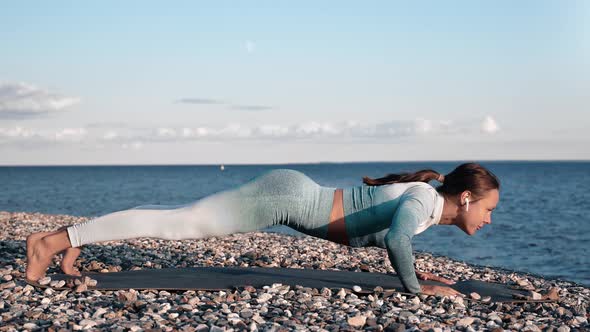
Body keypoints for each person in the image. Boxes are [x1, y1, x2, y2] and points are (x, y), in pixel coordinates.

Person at [26, 162, 500, 297]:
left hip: (291, 193)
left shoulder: (425, 202)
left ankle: (71, 238)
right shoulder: (422, 201)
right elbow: (395, 241)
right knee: (178, 223)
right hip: (286, 199)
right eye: (489, 209)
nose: (489, 219)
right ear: (465, 198)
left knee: (178, 214)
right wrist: (420, 290)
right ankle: (50, 242)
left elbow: (389, 237)